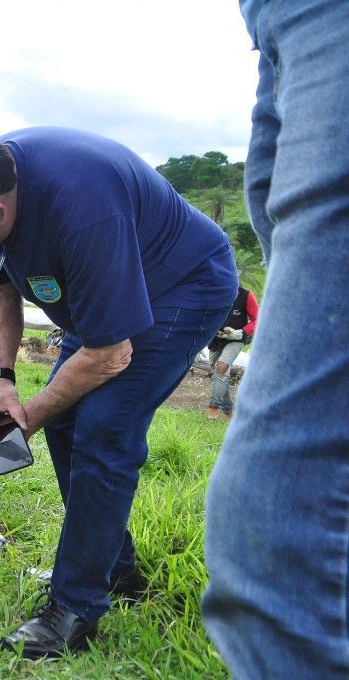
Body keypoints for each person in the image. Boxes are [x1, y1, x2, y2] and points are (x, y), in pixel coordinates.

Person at [0, 128, 237, 658]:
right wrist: (1, 380)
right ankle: (109, 569)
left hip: (179, 286)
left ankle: (74, 609)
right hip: (98, 293)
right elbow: (2, 291)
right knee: (67, 421)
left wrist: (29, 415)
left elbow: (110, 353)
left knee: (103, 428)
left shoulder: (81, 204)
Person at [202, 1, 349, 676]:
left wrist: (235, 332)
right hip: (271, 28)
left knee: (270, 518)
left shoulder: (242, 297)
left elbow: (250, 321)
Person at [205, 281, 258, 420]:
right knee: (218, 374)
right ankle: (229, 411)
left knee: (222, 367)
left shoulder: (246, 295)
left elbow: (257, 319)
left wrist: (241, 332)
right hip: (216, 339)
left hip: (236, 339)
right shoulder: (215, 293)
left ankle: (213, 407)